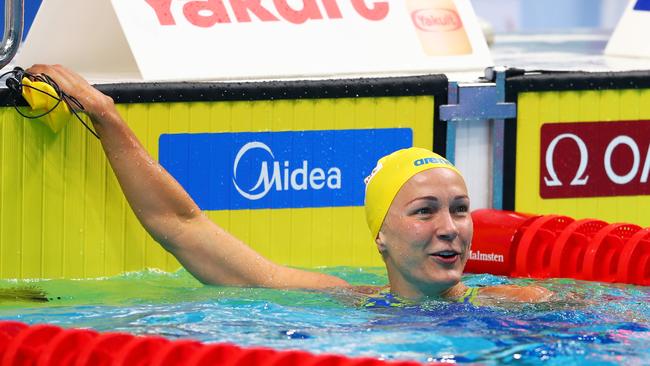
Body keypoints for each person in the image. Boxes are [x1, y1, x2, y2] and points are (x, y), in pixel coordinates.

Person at [23, 64, 553, 305]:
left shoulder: (518, 303)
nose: (450, 229)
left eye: (460, 209)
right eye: (424, 211)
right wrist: (105, 116)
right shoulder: (342, 301)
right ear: (380, 236)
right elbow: (182, 226)